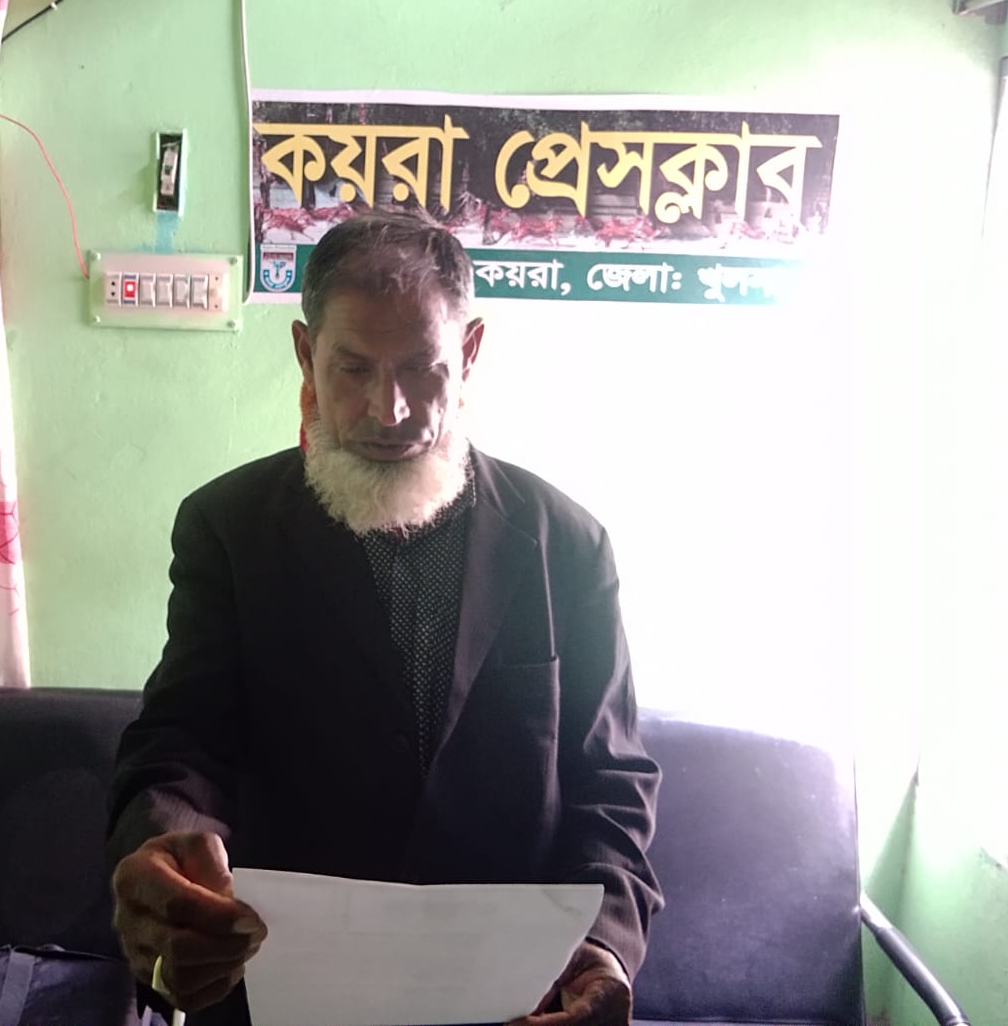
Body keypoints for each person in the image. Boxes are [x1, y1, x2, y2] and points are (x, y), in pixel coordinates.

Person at [107, 215, 662, 1026]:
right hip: (278, 986)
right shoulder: (228, 527)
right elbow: (183, 741)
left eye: (421, 370)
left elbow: (610, 781)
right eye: (353, 368)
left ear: (468, 353)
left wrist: (605, 942)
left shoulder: (568, 546)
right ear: (306, 355)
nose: (388, 409)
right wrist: (167, 848)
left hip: (506, 998)